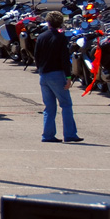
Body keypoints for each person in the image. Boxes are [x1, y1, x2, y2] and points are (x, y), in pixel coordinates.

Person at [35, 11, 83, 143]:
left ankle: (47, 135)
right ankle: (69, 134)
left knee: (49, 107)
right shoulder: (61, 38)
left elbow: (36, 57)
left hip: (43, 74)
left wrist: (40, 70)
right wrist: (68, 77)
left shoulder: (41, 37)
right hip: (57, 73)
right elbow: (64, 59)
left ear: (48, 22)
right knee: (66, 104)